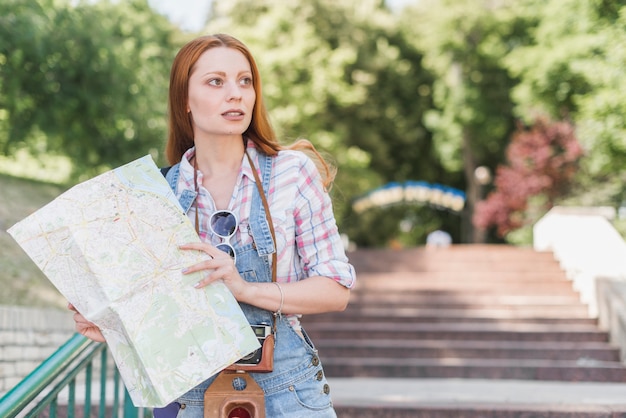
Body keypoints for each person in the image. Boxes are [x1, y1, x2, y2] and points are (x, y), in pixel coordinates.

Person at [69, 33, 356, 417]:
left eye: (245, 81)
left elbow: (335, 290)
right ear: (184, 101)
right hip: (187, 398)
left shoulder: (292, 173)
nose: (235, 93)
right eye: (215, 81)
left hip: (289, 394)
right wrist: (111, 326)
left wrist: (245, 288)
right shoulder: (154, 194)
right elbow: (156, 318)